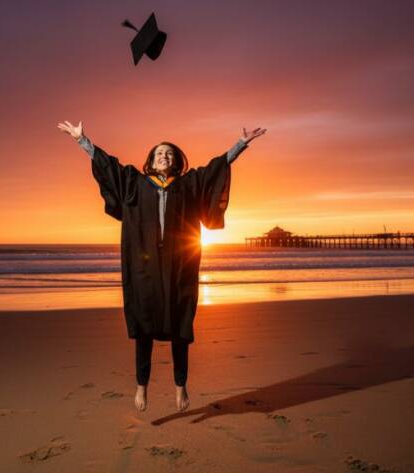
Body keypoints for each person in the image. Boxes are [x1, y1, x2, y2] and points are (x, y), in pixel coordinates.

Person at [57, 120, 266, 412]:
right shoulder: (134, 182)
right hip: (144, 270)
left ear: (177, 160)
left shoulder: (188, 184)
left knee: (181, 326)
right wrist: (82, 140)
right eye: (159, 153)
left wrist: (240, 145)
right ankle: (141, 387)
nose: (164, 157)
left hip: (179, 267)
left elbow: (214, 170)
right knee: (143, 327)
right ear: (151, 161)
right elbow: (108, 166)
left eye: (169, 154)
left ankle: (180, 386)